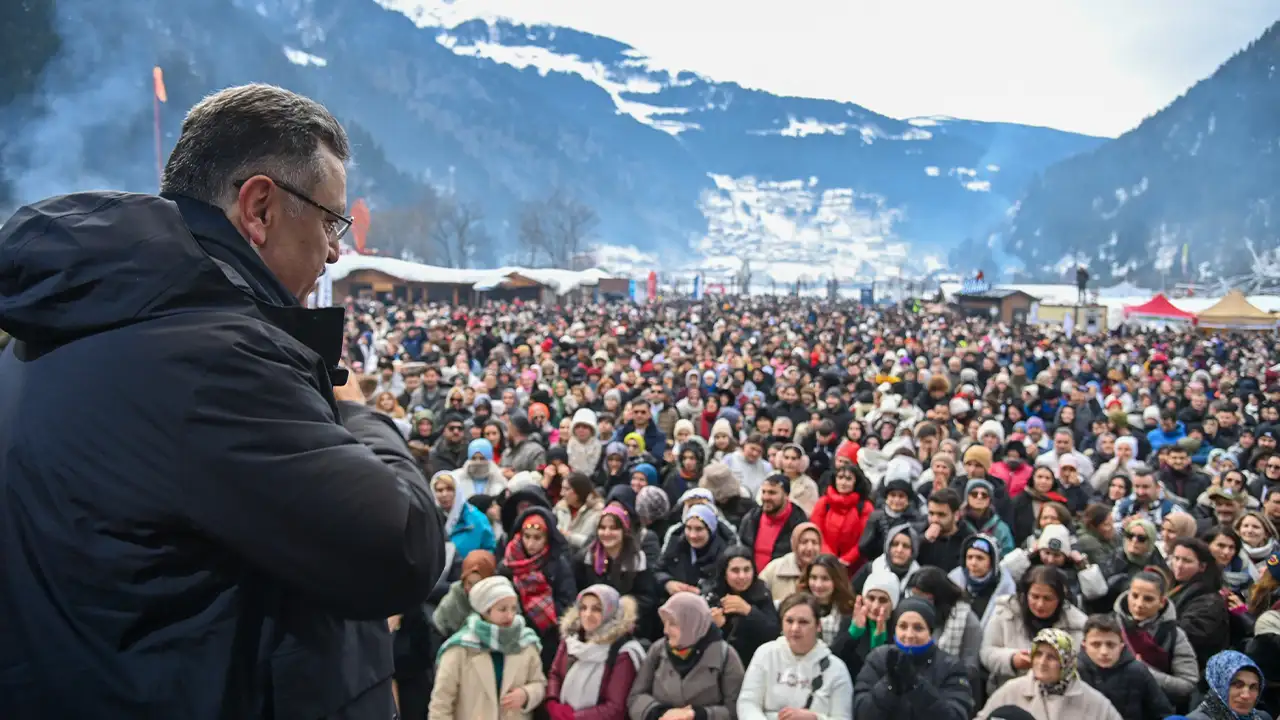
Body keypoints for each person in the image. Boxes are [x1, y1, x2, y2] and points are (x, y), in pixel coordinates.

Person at [0, 84, 446, 719]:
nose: (334, 249)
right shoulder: (210, 360)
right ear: (259, 207)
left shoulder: (48, 333)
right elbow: (400, 547)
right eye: (329, 220)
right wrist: (354, 411)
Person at [428, 575, 547, 719]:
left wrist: (527, 694)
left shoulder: (526, 642)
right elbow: (441, 703)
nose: (510, 615)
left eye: (513, 608)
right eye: (502, 609)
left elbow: (539, 683)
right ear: (485, 611)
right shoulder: (460, 647)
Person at [851, 597, 975, 720]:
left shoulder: (950, 666)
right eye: (903, 626)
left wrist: (915, 684)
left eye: (918, 628)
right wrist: (889, 685)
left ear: (930, 632)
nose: (909, 635)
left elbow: (956, 715)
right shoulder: (879, 659)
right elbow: (862, 713)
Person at [626, 592, 745, 720]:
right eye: (664, 623)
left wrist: (697, 714)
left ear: (692, 623)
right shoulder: (658, 649)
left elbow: (736, 709)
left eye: (673, 624)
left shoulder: (725, 655)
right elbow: (635, 697)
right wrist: (660, 713)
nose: (665, 630)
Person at [737, 593, 855, 719]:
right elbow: (747, 703)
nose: (795, 628)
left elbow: (843, 717)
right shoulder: (765, 654)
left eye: (803, 622)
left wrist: (815, 718)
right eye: (789, 621)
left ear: (818, 626)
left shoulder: (836, 669)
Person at [543, 585, 645, 720]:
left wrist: (574, 717)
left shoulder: (622, 652)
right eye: (583, 608)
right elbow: (555, 674)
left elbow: (615, 708)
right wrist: (552, 703)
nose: (587, 614)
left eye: (597, 609)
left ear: (610, 611)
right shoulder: (571, 638)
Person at [980, 565, 1088, 693]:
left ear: (1060, 599)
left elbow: (1080, 664)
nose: (1040, 604)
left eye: (1047, 598)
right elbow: (986, 652)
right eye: (1035, 597)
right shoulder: (1005, 612)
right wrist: (1012, 660)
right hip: (1008, 692)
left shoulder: (1076, 624)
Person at [977, 627, 1122, 720]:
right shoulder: (1011, 692)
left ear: (1067, 662)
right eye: (1038, 654)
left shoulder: (1094, 703)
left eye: (1052, 657)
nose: (1042, 662)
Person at [1111, 568, 1199, 706]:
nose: (1139, 605)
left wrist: (1145, 671)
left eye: (1148, 599)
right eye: (1134, 596)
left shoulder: (1174, 635)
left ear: (1162, 602)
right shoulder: (1109, 626)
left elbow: (1187, 684)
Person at [1076, 614, 1174, 720]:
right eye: (1096, 644)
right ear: (1084, 645)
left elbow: (1163, 713)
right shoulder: (1074, 674)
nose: (1104, 652)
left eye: (1110, 645)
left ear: (1121, 646)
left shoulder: (1138, 671)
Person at [706, 546, 780, 667]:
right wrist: (718, 626)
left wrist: (748, 611)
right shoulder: (713, 595)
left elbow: (773, 634)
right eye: (735, 570)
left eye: (747, 570)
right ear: (724, 572)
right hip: (721, 665)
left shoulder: (762, 593)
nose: (742, 576)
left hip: (756, 663)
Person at [1187, 650, 1272, 720]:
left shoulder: (1262, 717)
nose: (1246, 695)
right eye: (1238, 685)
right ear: (1219, 687)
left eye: (1253, 687)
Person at [433, 549, 498, 637]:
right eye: (469, 583)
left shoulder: (499, 598)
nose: (473, 589)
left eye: (479, 584)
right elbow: (439, 629)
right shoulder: (455, 598)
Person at [760, 522, 825, 603]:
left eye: (814, 542)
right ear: (794, 545)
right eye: (804, 542)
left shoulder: (827, 570)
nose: (809, 548)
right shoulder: (775, 569)